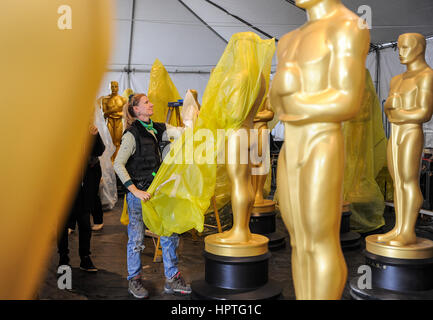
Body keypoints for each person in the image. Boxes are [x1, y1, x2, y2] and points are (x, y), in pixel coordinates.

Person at [114, 93, 191, 299]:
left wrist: (194, 117)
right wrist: (134, 190)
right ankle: (135, 279)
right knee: (137, 239)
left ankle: (172, 278)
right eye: (146, 102)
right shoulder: (131, 134)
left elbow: (184, 131)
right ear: (136, 110)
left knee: (169, 234)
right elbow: (118, 164)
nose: (151, 104)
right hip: (139, 196)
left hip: (159, 195)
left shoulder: (159, 128)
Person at [58, 125, 105, 272]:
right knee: (63, 224)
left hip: (84, 186)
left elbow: (99, 151)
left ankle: (85, 258)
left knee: (85, 223)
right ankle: (63, 258)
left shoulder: (88, 129)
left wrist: (94, 136)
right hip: (63, 187)